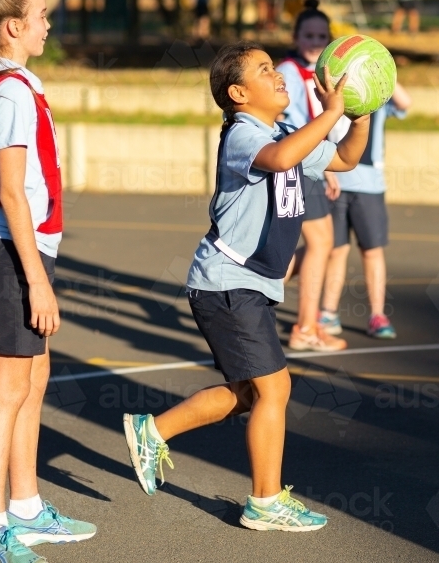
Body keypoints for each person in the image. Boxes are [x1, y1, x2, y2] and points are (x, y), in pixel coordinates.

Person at [122, 41, 370, 531]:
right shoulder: (243, 134)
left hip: (248, 284)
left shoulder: (281, 131)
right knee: (276, 387)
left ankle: (153, 431)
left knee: (249, 394)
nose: (277, 75)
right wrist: (329, 113)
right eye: (264, 70)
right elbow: (279, 160)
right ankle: (264, 501)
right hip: (227, 282)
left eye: (275, 68)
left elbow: (344, 160)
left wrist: (358, 116)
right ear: (238, 93)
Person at [0, 0, 96, 563]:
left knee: (33, 382)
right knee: (8, 388)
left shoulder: (20, 83)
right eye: (40, 16)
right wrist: (36, 279)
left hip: (29, 249)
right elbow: (12, 194)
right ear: (13, 26)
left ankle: (27, 508)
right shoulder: (11, 91)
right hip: (12, 252)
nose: (47, 24)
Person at [277, 0, 347, 351]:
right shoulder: (289, 71)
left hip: (307, 162)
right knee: (321, 242)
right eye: (309, 35)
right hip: (299, 163)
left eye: (322, 36)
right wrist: (322, 161)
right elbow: (290, 123)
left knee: (321, 244)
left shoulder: (321, 74)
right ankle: (305, 327)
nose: (315, 41)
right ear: (296, 36)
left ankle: (265, 283)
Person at [320, 82, 412, 339]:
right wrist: (326, 170)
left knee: (371, 251)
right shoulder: (332, 97)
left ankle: (377, 314)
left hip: (369, 184)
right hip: (334, 181)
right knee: (335, 250)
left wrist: (383, 72)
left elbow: (405, 103)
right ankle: (328, 312)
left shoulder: (378, 97)